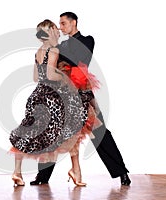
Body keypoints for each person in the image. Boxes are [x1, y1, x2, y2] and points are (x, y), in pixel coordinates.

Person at [30, 12, 131, 186]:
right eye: (59, 25)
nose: (60, 27)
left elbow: (78, 60)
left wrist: (58, 55)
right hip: (63, 94)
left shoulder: (87, 40)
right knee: (54, 132)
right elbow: (52, 67)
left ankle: (122, 173)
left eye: (63, 23)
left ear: (73, 22)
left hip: (82, 93)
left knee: (100, 133)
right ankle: (42, 177)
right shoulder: (59, 46)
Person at [9, 19, 96, 187]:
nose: (58, 31)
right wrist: (65, 77)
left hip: (37, 96)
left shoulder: (38, 52)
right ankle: (75, 170)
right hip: (52, 97)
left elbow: (36, 78)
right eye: (56, 28)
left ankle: (17, 172)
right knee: (72, 126)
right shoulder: (54, 49)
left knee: (27, 131)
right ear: (50, 32)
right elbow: (50, 75)